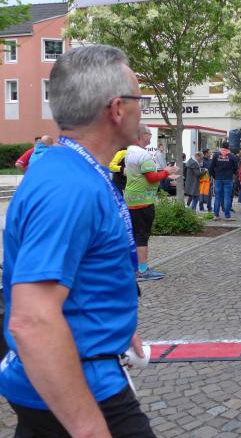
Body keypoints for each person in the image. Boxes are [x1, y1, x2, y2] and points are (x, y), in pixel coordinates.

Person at [0, 45, 155, 436]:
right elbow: (32, 320)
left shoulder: (71, 170)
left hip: (66, 377)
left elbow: (82, 270)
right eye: (140, 100)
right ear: (117, 109)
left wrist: (111, 320)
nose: (143, 110)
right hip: (84, 387)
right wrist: (89, 430)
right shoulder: (69, 187)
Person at [125, 125, 179, 281]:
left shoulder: (130, 151)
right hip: (143, 200)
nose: (150, 137)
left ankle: (134, 267)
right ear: (143, 135)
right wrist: (167, 171)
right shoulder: (143, 154)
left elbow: (140, 174)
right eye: (149, 134)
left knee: (135, 234)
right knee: (142, 236)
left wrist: (163, 174)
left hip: (132, 198)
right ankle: (142, 270)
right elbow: (152, 178)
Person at [210, 141, 239, 221]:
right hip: (228, 179)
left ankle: (216, 215)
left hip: (218, 179)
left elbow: (211, 167)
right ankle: (227, 215)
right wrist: (232, 173)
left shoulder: (216, 155)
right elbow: (236, 168)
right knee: (227, 197)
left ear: (221, 146)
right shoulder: (232, 156)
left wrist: (215, 176)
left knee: (217, 197)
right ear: (228, 147)